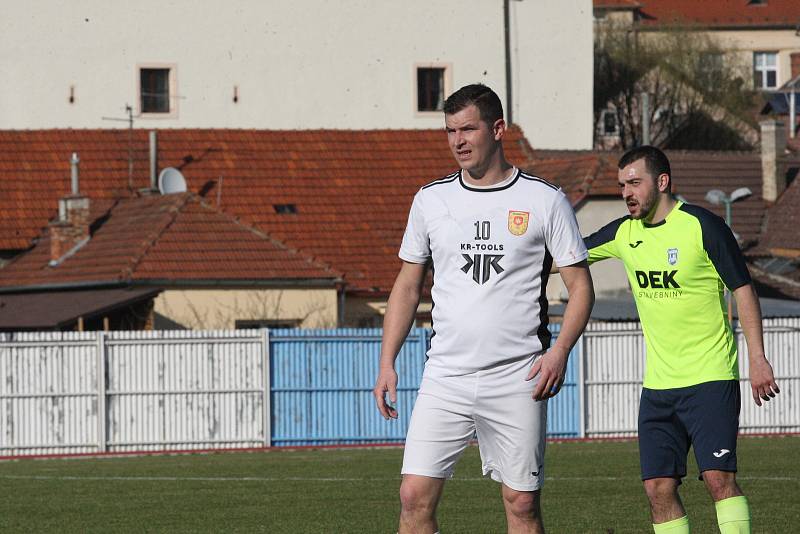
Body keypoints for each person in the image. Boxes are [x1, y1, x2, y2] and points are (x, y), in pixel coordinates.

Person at [372, 83, 594, 534]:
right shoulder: (431, 200)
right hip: (446, 375)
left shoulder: (544, 200)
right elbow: (407, 285)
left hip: (518, 375)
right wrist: (387, 361)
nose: (458, 141)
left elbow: (580, 286)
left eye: (468, 129)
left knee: (521, 504)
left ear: (498, 129)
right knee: (413, 495)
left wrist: (560, 353)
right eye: (450, 131)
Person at [583, 146, 780, 534]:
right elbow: (566, 256)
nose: (626, 193)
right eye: (622, 185)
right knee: (657, 487)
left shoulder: (702, 226)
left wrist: (758, 359)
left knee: (717, 478)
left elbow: (743, 290)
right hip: (658, 387)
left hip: (710, 377)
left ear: (662, 182)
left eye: (634, 183)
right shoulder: (624, 233)